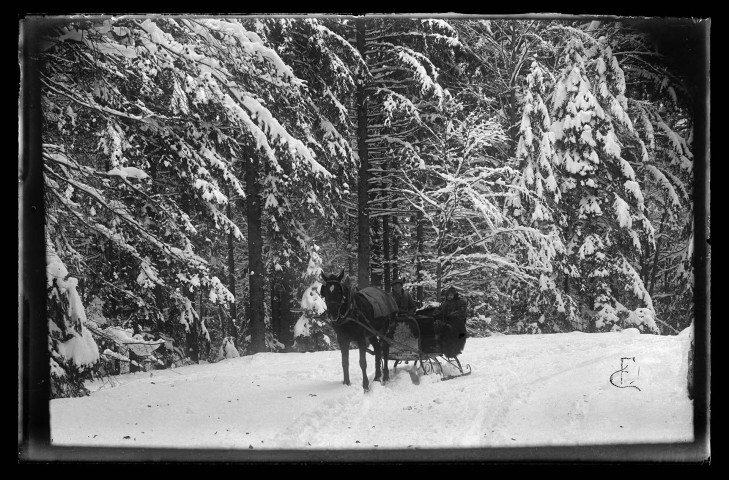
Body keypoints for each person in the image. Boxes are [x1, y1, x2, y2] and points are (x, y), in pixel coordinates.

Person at [433, 286, 468, 357]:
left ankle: (451, 349)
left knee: (451, 330)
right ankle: (438, 346)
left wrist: (451, 315)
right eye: (448, 295)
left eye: (451, 295)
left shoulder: (460, 302)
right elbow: (440, 311)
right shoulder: (444, 304)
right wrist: (435, 314)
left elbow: (461, 312)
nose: (449, 297)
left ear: (454, 295)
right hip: (447, 321)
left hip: (457, 323)